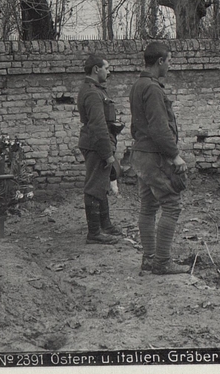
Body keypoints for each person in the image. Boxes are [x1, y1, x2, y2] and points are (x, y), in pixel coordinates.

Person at [129, 42, 189, 275]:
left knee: (148, 206)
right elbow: (159, 128)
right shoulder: (153, 89)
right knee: (172, 205)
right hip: (154, 157)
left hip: (141, 155)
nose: (170, 66)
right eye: (169, 61)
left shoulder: (138, 85)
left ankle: (149, 258)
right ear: (160, 61)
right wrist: (175, 156)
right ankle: (162, 262)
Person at [77, 54, 124, 245]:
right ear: (97, 69)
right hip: (97, 145)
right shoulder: (92, 93)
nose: (109, 71)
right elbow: (98, 126)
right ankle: (94, 232)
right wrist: (107, 154)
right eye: (107, 67)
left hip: (98, 143)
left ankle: (105, 225)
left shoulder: (95, 90)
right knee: (95, 186)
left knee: (102, 183)